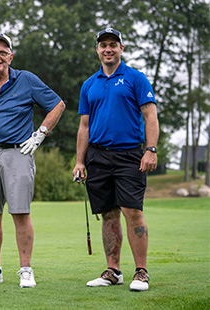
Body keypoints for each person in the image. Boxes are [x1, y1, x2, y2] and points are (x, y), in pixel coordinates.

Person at [0, 33, 66, 288]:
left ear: (11, 56)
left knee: (20, 211)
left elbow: (57, 105)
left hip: (18, 152)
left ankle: (26, 269)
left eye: (2, 52)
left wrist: (40, 134)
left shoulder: (26, 80)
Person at [72, 28, 159, 292]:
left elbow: (150, 116)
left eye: (113, 44)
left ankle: (141, 272)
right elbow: (84, 126)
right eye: (103, 45)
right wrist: (79, 161)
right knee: (108, 214)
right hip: (97, 155)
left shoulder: (136, 78)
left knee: (132, 211)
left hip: (130, 153)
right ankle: (113, 270)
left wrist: (151, 149)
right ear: (97, 49)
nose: (108, 49)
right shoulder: (90, 84)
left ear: (121, 48)